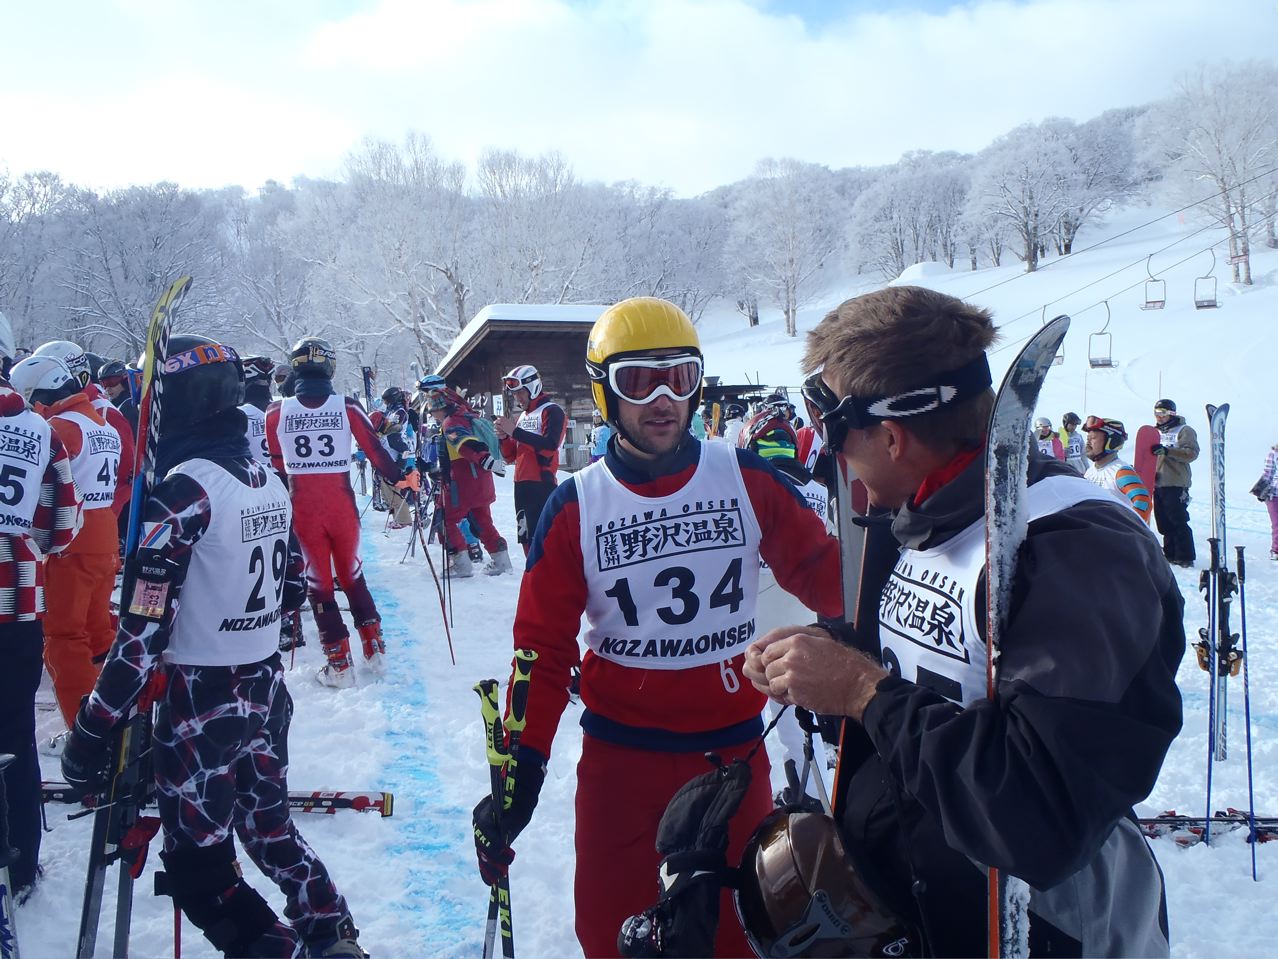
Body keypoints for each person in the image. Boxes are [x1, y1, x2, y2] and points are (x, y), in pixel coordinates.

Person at [738, 286, 1183, 957]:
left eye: (835, 435)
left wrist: (860, 689)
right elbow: (947, 669)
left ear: (891, 436)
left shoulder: (1077, 552)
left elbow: (1040, 813)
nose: (833, 458)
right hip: (925, 908)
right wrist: (828, 657)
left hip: (1043, 930)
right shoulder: (928, 516)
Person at [470, 297, 842, 958]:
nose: (665, 398)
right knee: (612, 935)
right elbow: (544, 650)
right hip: (623, 761)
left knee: (737, 938)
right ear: (604, 393)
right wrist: (522, 771)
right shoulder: (577, 503)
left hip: (731, 757)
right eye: (640, 381)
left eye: (682, 376)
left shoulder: (745, 477)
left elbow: (823, 572)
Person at [58, 336, 365, 958]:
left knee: (201, 870)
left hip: (202, 699)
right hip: (261, 687)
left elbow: (141, 634)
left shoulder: (185, 493)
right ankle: (330, 931)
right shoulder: (263, 479)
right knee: (269, 827)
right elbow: (291, 592)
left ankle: (275, 949)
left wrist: (93, 728)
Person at [266, 337, 407, 687]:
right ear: (329, 367)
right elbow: (375, 450)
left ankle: (339, 662)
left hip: (304, 507)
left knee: (320, 585)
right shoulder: (347, 406)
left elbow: (278, 465)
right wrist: (403, 481)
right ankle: (374, 649)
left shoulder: (275, 412)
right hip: (341, 504)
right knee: (352, 575)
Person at [0, 314, 82, 902]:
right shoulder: (39, 428)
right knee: (15, 736)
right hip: (16, 607)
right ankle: (22, 863)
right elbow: (63, 525)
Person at [8, 355, 126, 742]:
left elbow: (51, 491)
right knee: (97, 631)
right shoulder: (99, 421)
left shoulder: (60, 426)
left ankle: (85, 733)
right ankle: (118, 715)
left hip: (72, 538)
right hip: (104, 532)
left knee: (63, 637)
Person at [420, 385, 511, 577]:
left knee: (444, 520)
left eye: (432, 411)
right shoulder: (470, 416)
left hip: (462, 483)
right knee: (483, 521)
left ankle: (460, 563)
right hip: (482, 481)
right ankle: (501, 561)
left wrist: (484, 458)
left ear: (439, 408)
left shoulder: (450, 423)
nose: (433, 415)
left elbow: (463, 443)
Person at [495, 365, 567, 556]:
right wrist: (503, 437)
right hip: (521, 484)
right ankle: (533, 575)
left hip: (541, 484)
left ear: (533, 387)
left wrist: (515, 432)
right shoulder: (522, 417)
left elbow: (550, 445)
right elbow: (511, 456)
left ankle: (549, 578)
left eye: (520, 393)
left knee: (545, 537)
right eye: (514, 394)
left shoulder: (552, 411)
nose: (518, 398)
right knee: (525, 535)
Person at [1151, 398, 1199, 567]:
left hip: (1176, 481)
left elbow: (1191, 453)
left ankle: (1185, 555)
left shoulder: (1184, 430)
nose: (1159, 417)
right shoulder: (1155, 432)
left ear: (1172, 413)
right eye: (1156, 413)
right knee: (1163, 521)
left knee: (1177, 519)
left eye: (1162, 413)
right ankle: (1170, 553)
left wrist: (1168, 451)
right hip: (1158, 482)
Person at [1082, 416, 1152, 523]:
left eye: (1093, 438)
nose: (1088, 443)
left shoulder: (1121, 472)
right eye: (1088, 438)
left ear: (1111, 441)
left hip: (1113, 537)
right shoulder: (1090, 472)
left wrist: (1129, 530)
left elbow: (1143, 502)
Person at [368, 408, 416, 529]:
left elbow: (405, 449)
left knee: (394, 495)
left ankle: (404, 520)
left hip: (392, 466)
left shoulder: (392, 435)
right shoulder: (384, 434)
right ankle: (397, 518)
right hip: (386, 466)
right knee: (388, 495)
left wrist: (400, 465)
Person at [1251, 444, 1278, 560]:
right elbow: (1267, 474)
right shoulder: (1273, 454)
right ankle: (1276, 550)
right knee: (1277, 523)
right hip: (1274, 494)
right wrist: (1260, 490)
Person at [97, 359, 139, 433]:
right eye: (104, 384)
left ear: (124, 381)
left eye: (111, 382)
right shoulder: (112, 405)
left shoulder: (129, 406)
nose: (107, 388)